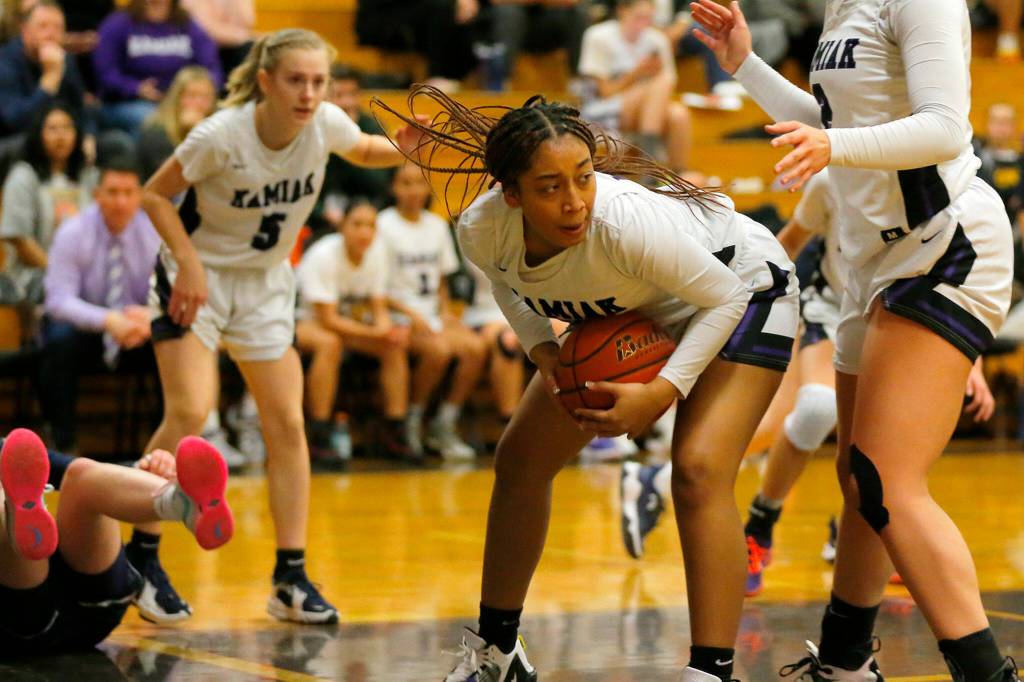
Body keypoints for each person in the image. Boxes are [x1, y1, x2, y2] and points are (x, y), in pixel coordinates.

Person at [375, 84, 799, 682]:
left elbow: (725, 296)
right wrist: (543, 348)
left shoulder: (621, 225)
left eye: (584, 177)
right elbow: (503, 282)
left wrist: (660, 392)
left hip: (743, 283)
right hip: (642, 302)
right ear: (511, 194)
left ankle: (709, 672)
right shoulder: (479, 230)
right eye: (550, 187)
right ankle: (498, 655)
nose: (574, 202)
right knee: (520, 460)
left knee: (700, 470)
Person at [691, 0, 1017, 678]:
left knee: (886, 480)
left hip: (943, 244)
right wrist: (744, 65)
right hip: (870, 266)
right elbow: (840, 122)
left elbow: (942, 129)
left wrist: (834, 148)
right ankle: (844, 666)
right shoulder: (844, 7)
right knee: (856, 479)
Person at [140, 28, 419, 624]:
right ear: (265, 80)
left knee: (288, 424)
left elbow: (365, 151)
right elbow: (156, 196)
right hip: (200, 277)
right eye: (296, 80)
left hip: (266, 283)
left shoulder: (324, 124)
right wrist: (187, 264)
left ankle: (289, 577)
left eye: (319, 82)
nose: (310, 93)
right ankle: (141, 558)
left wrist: (407, 147)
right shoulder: (221, 135)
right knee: (189, 412)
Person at [621, 170, 996, 600]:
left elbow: (952, 280)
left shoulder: (940, 182)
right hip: (833, 305)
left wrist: (974, 360)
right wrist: (752, 295)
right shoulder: (832, 180)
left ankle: (853, 534)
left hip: (902, 312)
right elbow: (790, 241)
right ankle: (760, 525)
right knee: (818, 408)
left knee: (887, 442)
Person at [0, 428, 233, 657]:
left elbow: (85, 472)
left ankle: (178, 501)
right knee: (4, 502)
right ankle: (12, 511)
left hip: (90, 602)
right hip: (21, 616)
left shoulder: (9, 450)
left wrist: (146, 469)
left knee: (82, 474)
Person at [41, 156, 160, 454]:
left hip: (137, 332)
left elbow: (168, 292)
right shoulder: (72, 232)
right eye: (112, 192)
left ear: (140, 195)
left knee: (171, 341)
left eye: (129, 192)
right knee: (57, 342)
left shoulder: (154, 234)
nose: (121, 202)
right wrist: (108, 320)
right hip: (88, 333)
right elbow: (58, 300)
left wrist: (150, 317)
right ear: (97, 194)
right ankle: (64, 445)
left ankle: (164, 449)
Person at [378, 163, 487, 461]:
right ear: (393, 188)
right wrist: (413, 315)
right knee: (438, 352)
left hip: (431, 313)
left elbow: (440, 279)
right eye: (405, 182)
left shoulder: (437, 225)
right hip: (398, 314)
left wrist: (445, 311)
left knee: (475, 348)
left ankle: (445, 422)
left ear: (427, 189)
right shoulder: (383, 225)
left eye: (418, 183)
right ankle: (413, 418)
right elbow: (375, 285)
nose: (412, 190)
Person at [295, 198, 415, 464]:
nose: (364, 232)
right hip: (302, 322)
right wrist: (375, 334)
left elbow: (379, 306)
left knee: (393, 345)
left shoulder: (377, 253)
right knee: (330, 343)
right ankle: (319, 433)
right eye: (357, 224)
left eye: (371, 225)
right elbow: (327, 320)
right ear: (342, 226)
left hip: (348, 325)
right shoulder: (323, 255)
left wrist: (387, 331)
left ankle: (395, 429)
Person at [577, 0, 693, 174]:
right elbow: (605, 92)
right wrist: (635, 74)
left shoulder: (657, 40)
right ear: (622, 11)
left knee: (678, 114)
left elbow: (669, 84)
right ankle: (651, 165)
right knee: (658, 85)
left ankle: (679, 175)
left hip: (648, 109)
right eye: (638, 18)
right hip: (603, 109)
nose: (643, 25)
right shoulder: (598, 35)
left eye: (648, 19)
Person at [0, 102, 96, 307]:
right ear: (38, 134)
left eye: (67, 128)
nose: (60, 136)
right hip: (33, 276)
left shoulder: (88, 176)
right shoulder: (23, 176)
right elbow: (19, 239)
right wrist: (59, 273)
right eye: (52, 129)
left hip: (83, 274)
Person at [93, 0, 222, 136]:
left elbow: (211, 67)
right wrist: (136, 88)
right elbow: (105, 72)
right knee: (151, 120)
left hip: (181, 100)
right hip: (129, 102)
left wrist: (198, 93)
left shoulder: (187, 24)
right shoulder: (118, 23)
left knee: (220, 116)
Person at [0, 1, 95, 167]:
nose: (51, 34)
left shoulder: (66, 61)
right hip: (16, 139)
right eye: (43, 26)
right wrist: (50, 81)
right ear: (25, 31)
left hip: (62, 134)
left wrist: (88, 135)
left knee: (114, 143)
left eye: (58, 28)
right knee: (28, 146)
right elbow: (15, 121)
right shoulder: (5, 62)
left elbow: (82, 107)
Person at [308, 64, 393, 232]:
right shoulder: (313, 128)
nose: (348, 102)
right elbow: (305, 182)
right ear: (325, 98)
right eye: (339, 95)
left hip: (369, 217)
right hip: (322, 222)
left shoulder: (373, 126)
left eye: (353, 94)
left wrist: (349, 139)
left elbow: (380, 183)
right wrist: (323, 213)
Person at [461, 259, 524, 427]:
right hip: (485, 311)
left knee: (570, 336)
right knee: (507, 341)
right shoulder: (472, 236)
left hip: (537, 306)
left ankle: (583, 422)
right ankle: (511, 426)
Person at [137, 66, 217, 182]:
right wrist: (195, 132)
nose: (198, 103)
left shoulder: (218, 129)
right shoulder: (156, 131)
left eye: (205, 97)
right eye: (191, 96)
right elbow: (169, 181)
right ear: (177, 98)